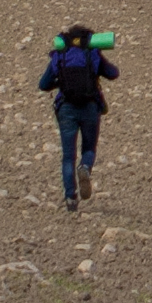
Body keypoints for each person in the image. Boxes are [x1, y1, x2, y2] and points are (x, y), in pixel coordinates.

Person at [36, 26, 119, 208]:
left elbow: (43, 84)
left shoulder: (61, 55)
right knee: (89, 148)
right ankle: (85, 167)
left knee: (68, 156)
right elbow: (113, 73)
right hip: (90, 107)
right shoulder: (92, 53)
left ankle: (70, 198)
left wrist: (60, 82)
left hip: (66, 108)